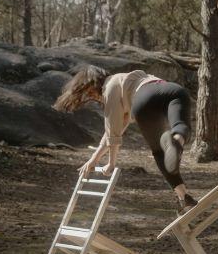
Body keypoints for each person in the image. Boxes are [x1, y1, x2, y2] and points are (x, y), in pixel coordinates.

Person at [53, 65, 198, 214]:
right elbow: (112, 132)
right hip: (173, 90)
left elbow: (113, 133)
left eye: (92, 94)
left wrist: (111, 163)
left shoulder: (110, 88)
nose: (96, 98)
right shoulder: (126, 80)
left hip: (144, 101)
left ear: (95, 85)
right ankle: (177, 144)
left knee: (159, 152)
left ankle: (183, 196)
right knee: (180, 126)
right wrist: (94, 159)